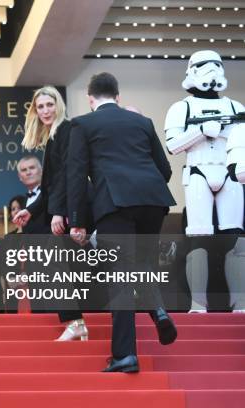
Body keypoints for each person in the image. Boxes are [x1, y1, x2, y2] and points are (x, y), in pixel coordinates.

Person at [67, 72, 178, 373]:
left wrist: (78, 221)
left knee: (120, 277)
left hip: (115, 205)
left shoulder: (82, 124)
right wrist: (146, 190)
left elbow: (77, 178)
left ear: (90, 98)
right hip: (153, 201)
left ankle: (125, 355)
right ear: (117, 96)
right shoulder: (142, 122)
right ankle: (157, 309)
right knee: (142, 264)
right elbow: (164, 168)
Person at [164, 50, 245, 313]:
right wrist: (200, 131)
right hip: (199, 171)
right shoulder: (182, 107)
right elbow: (173, 145)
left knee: (235, 238)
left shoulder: (235, 107)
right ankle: (198, 303)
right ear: (192, 70)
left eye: (216, 65)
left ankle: (240, 302)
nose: (211, 70)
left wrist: (223, 133)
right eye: (203, 65)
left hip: (229, 173)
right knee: (198, 237)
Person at [13, 86, 89, 341]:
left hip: (71, 210)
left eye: (49, 104)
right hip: (64, 210)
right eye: (40, 106)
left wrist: (60, 214)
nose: (45, 110)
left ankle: (76, 321)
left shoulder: (66, 130)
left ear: (59, 105)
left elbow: (69, 177)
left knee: (55, 264)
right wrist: (30, 210)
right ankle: (76, 321)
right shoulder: (54, 135)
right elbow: (50, 186)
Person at [15, 156, 46, 233]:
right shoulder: (22, 201)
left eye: (32, 168)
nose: (28, 172)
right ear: (19, 177)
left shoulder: (52, 194)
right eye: (24, 170)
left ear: (41, 171)